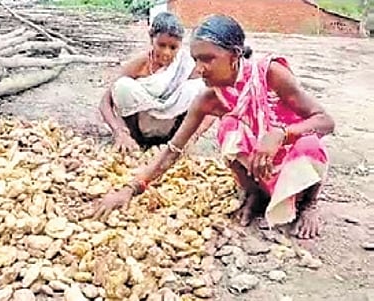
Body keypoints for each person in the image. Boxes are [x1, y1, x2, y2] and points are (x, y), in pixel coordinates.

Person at [89, 15, 335, 240]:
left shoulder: (270, 73)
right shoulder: (209, 99)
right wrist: (130, 190)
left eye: (208, 59)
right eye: (196, 59)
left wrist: (282, 134)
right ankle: (255, 193)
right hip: (259, 162)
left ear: (235, 55)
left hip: (289, 152)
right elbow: (172, 151)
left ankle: (308, 203)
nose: (199, 68)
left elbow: (325, 121)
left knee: (310, 143)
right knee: (229, 128)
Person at [99, 12, 213, 152]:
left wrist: (194, 135)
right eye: (161, 45)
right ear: (151, 38)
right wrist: (119, 132)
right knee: (123, 86)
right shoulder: (139, 63)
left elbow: (212, 102)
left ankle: (178, 143)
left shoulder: (186, 65)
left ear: (180, 46)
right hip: (138, 132)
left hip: (173, 134)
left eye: (173, 47)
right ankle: (134, 141)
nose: (166, 53)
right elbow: (105, 102)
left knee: (197, 88)